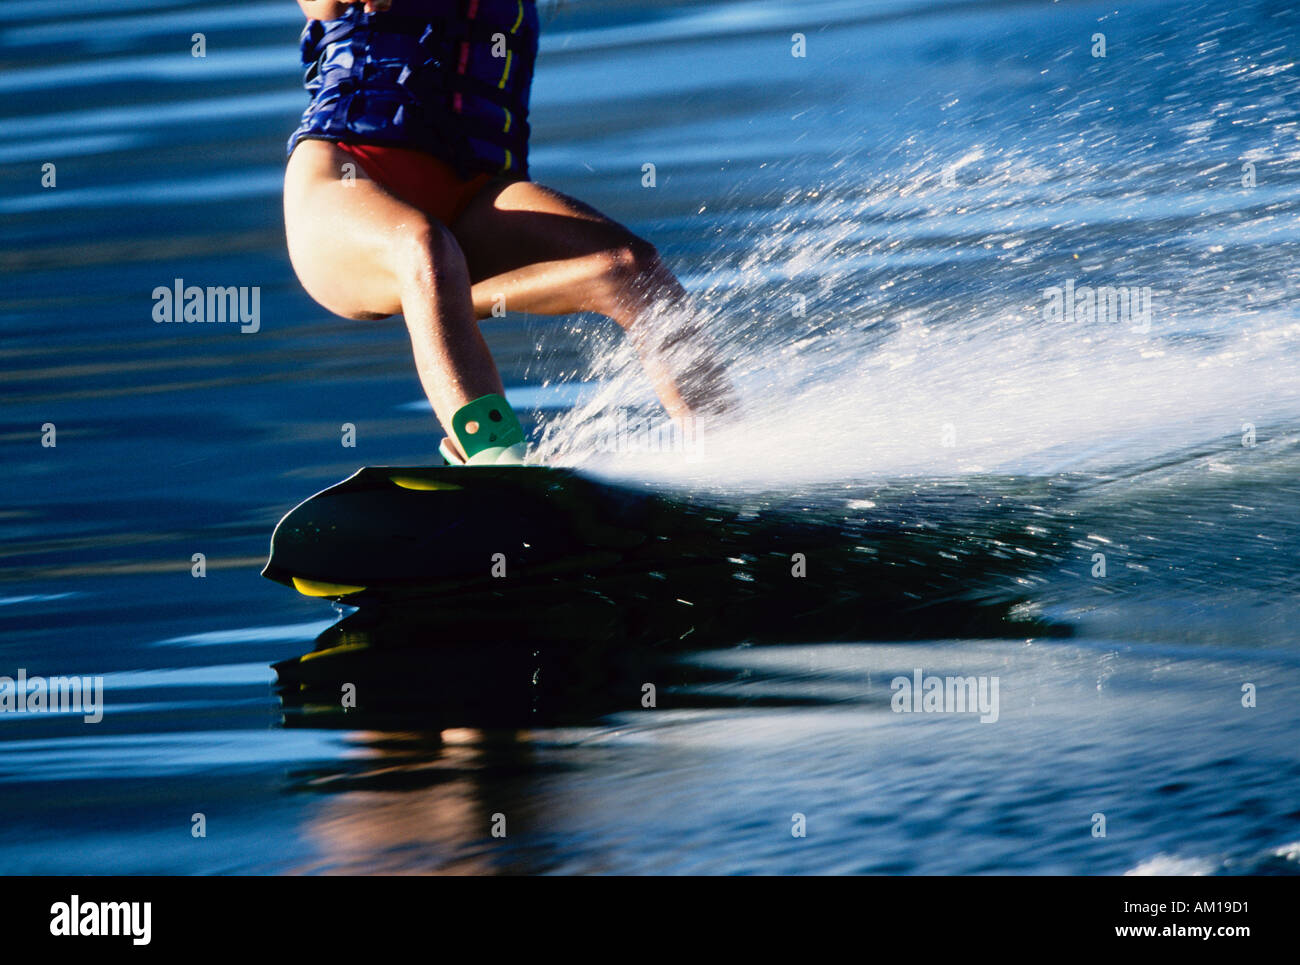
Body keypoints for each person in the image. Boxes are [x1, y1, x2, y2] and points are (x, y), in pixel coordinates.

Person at [284, 0, 731, 464]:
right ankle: (493, 459)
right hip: (344, 184)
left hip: (474, 198)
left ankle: (729, 457)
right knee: (423, 247)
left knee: (629, 269)